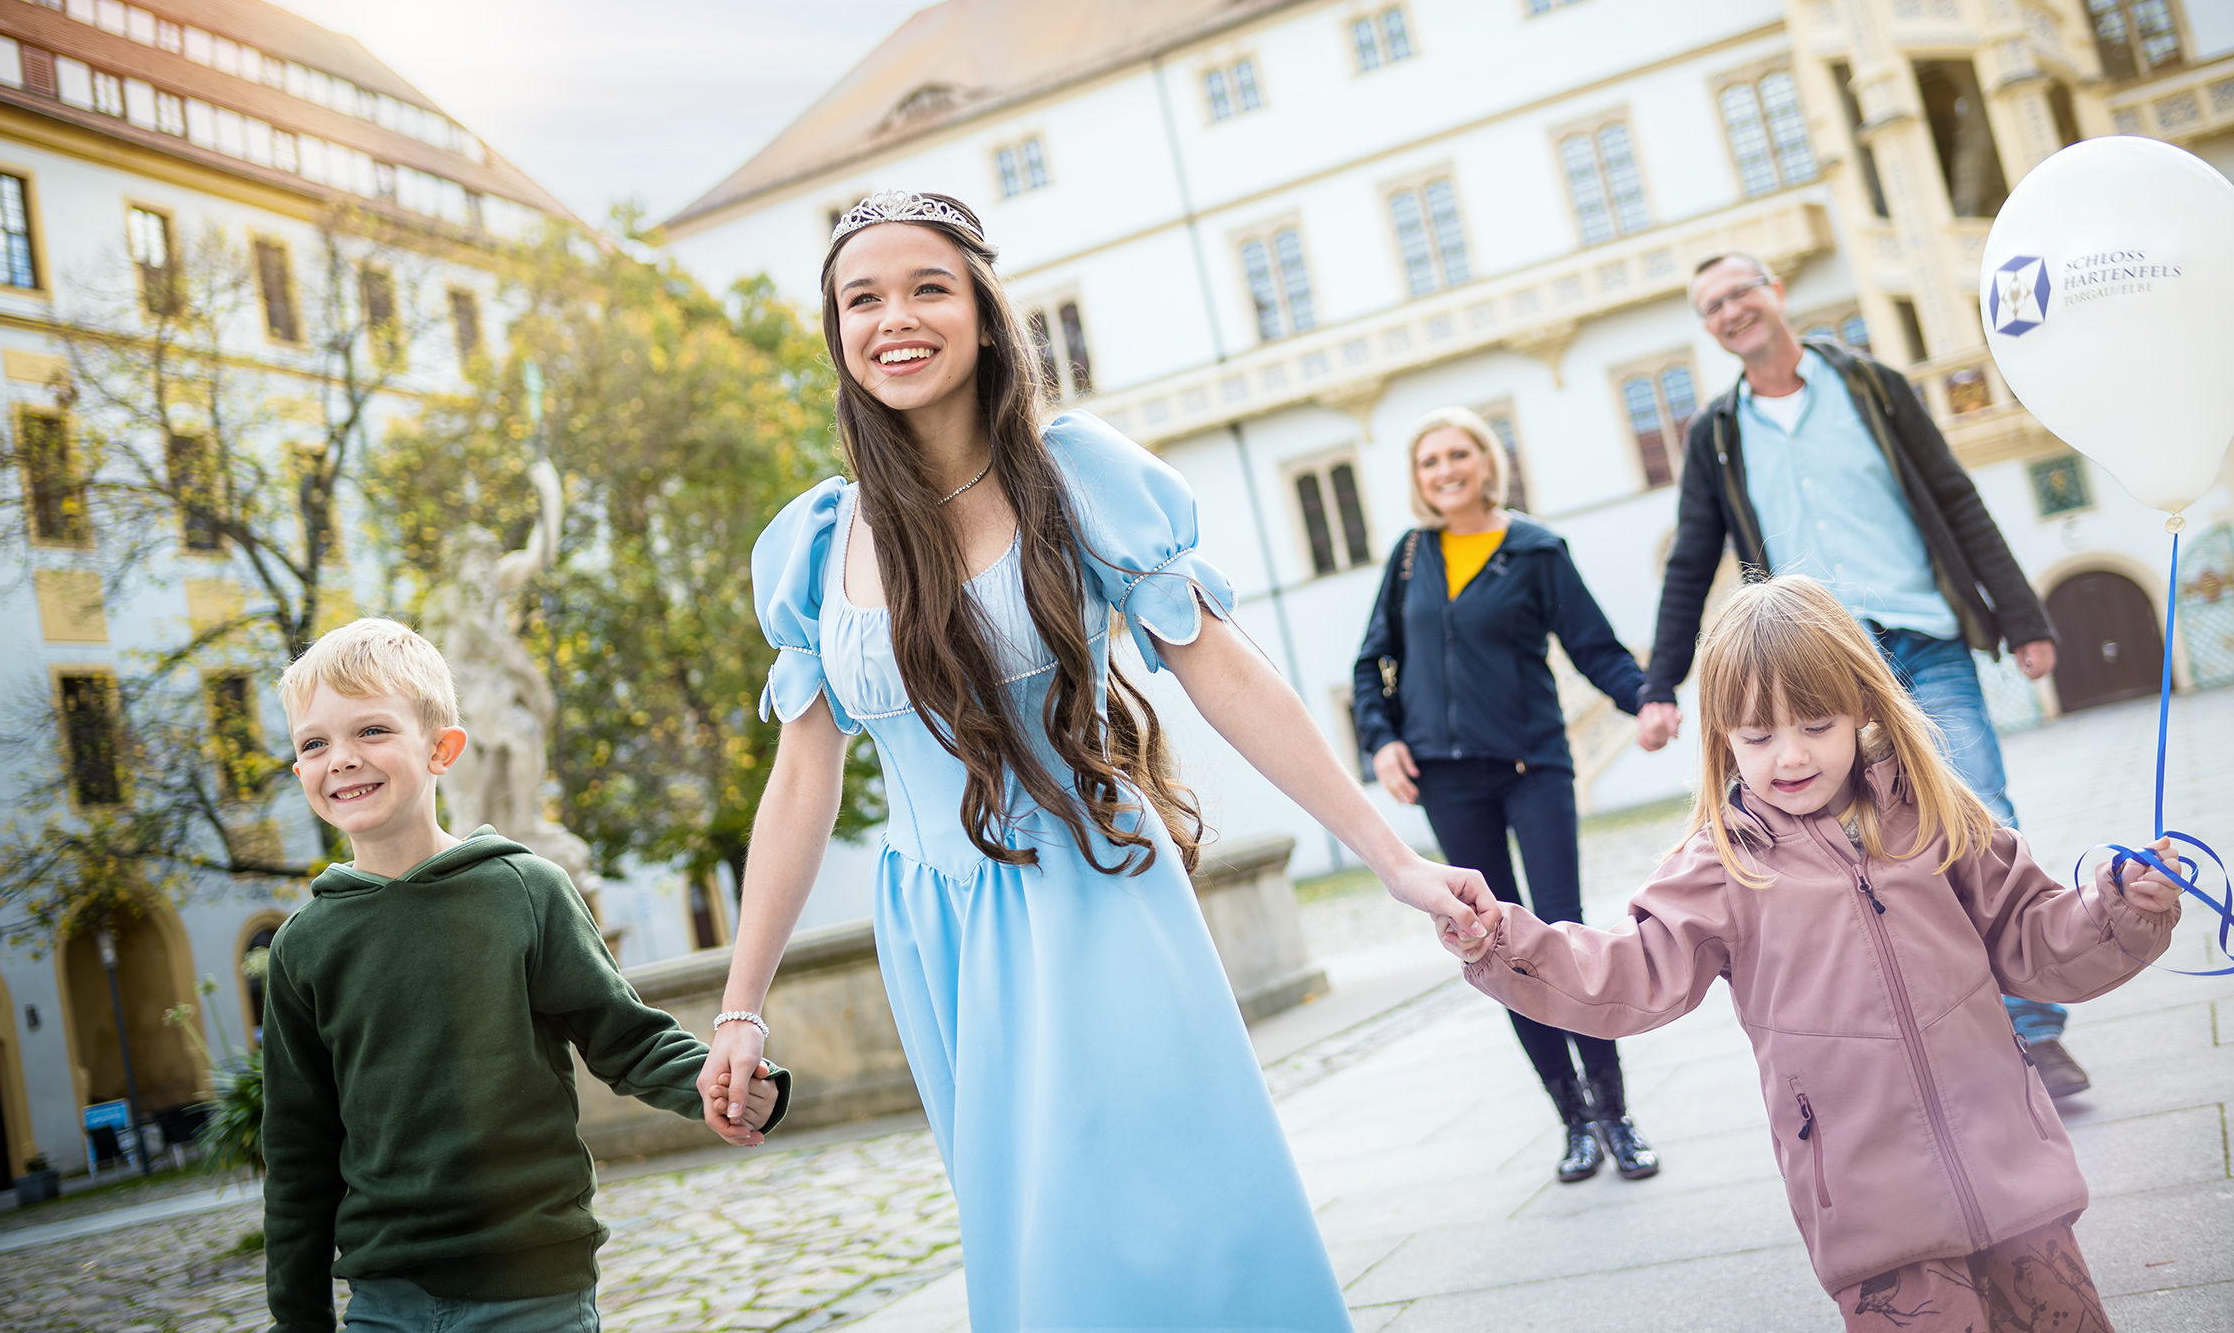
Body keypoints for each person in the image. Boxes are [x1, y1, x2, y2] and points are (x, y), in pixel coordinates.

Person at [698, 190, 1498, 1332]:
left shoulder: (1073, 474)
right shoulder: (817, 543)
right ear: (836, 333)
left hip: (1095, 892)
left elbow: (1224, 673)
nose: (896, 319)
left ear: (981, 311)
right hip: (936, 927)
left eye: (928, 287)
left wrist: (1393, 860)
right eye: (860, 298)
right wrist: (740, 1010)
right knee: (1033, 1237)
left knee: (1165, 1203)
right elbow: (800, 784)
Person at [1448, 575, 2181, 1330]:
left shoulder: (1934, 811)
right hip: (1874, 1214)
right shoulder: (1721, 865)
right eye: (1758, 734)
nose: (1789, 756)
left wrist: (2118, 905)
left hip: (2015, 1174)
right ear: (1724, 735)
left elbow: (2034, 937)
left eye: (1816, 724)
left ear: (1861, 705)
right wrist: (1504, 942)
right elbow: (1630, 975)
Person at [1638, 253, 2090, 1097]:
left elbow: (1957, 497)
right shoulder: (1719, 434)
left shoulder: (1873, 387)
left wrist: (2021, 614)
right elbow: (1692, 558)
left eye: (1740, 292)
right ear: (1708, 328)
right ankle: (1936, 1028)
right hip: (1816, 672)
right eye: (1711, 306)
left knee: (1976, 814)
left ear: (1774, 294)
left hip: (1922, 635)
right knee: (1861, 849)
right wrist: (1660, 683)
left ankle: (2032, 1033)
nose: (1730, 310)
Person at [261, 618, 790, 1333]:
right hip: (387, 1299)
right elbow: (298, 1154)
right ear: (300, 773)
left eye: (373, 731)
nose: (343, 759)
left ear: (442, 748)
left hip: (536, 1289)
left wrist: (726, 1086)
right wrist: (298, 1320)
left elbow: (624, 1035)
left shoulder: (524, 889)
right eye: (314, 743)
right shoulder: (303, 946)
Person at [1351, 407, 1660, 1183]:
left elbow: (1593, 646)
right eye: (1430, 461)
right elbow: (1371, 663)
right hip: (1447, 780)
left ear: (1487, 463)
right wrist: (1381, 738)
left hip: (1532, 768)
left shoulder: (1535, 548)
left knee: (1558, 926)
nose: (1445, 470)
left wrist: (1645, 700)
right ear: (1418, 478)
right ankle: (1573, 1121)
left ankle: (1617, 1113)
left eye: (1459, 454)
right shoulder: (1412, 555)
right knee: (1496, 942)